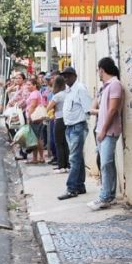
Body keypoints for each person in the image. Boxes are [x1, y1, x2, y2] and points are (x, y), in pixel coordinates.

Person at [87, 58, 123, 211]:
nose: (98, 74)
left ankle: (104, 197)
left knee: (106, 164)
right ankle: (110, 195)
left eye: (98, 70)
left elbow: (113, 110)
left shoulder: (115, 85)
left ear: (102, 69)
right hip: (102, 130)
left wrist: (103, 131)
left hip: (108, 131)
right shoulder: (106, 86)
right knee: (108, 164)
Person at [57, 67, 92, 200]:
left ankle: (71, 188)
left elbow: (88, 109)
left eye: (67, 76)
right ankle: (79, 185)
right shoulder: (69, 91)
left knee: (74, 158)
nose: (65, 79)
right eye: (64, 76)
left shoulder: (80, 89)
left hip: (78, 127)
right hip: (70, 127)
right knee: (78, 158)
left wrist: (81, 123)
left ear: (74, 76)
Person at [46, 75, 69, 173]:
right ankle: (67, 165)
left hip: (59, 119)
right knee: (65, 143)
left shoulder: (57, 95)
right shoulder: (67, 93)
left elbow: (48, 107)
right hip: (68, 119)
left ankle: (61, 166)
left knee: (58, 143)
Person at [25, 78, 45, 164]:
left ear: (34, 85)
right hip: (38, 118)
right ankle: (41, 157)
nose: (27, 86)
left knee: (34, 139)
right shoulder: (37, 93)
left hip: (34, 118)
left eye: (29, 85)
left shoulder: (34, 94)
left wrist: (29, 118)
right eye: (27, 85)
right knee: (38, 138)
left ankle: (35, 158)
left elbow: (32, 106)